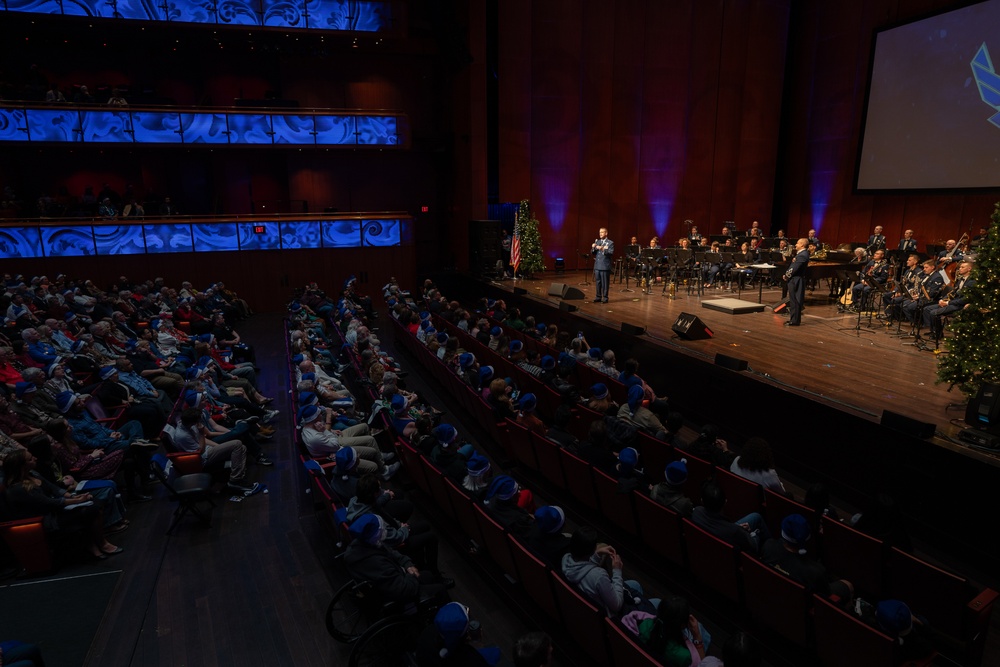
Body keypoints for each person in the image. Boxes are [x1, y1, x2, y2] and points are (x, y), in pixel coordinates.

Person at [636, 595, 711, 667]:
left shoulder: (644, 624)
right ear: (683, 625)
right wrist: (697, 637)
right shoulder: (684, 656)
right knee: (701, 630)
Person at [922, 260, 975, 343]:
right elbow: (953, 292)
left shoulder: (972, 282)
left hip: (960, 305)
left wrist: (948, 303)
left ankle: (937, 334)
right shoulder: (960, 279)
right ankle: (934, 331)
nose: (959, 269)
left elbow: (966, 299)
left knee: (934, 313)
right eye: (960, 267)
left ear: (969, 269)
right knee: (927, 309)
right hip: (952, 302)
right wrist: (943, 299)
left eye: (962, 267)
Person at [782, 237, 809, 326]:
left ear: (802, 245)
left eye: (797, 243)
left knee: (796, 300)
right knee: (793, 300)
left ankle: (795, 320)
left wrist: (786, 276)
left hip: (796, 279)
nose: (796, 245)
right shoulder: (801, 254)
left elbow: (794, 268)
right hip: (794, 278)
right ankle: (793, 319)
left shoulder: (803, 255)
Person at [592, 227, 614, 304]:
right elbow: (593, 253)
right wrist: (593, 247)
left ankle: (605, 297)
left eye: (602, 232)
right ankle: (598, 296)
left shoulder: (610, 242)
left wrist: (602, 249)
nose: (600, 234)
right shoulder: (597, 241)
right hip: (597, 265)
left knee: (605, 283)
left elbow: (611, 253)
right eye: (599, 232)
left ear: (606, 233)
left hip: (604, 266)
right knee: (598, 282)